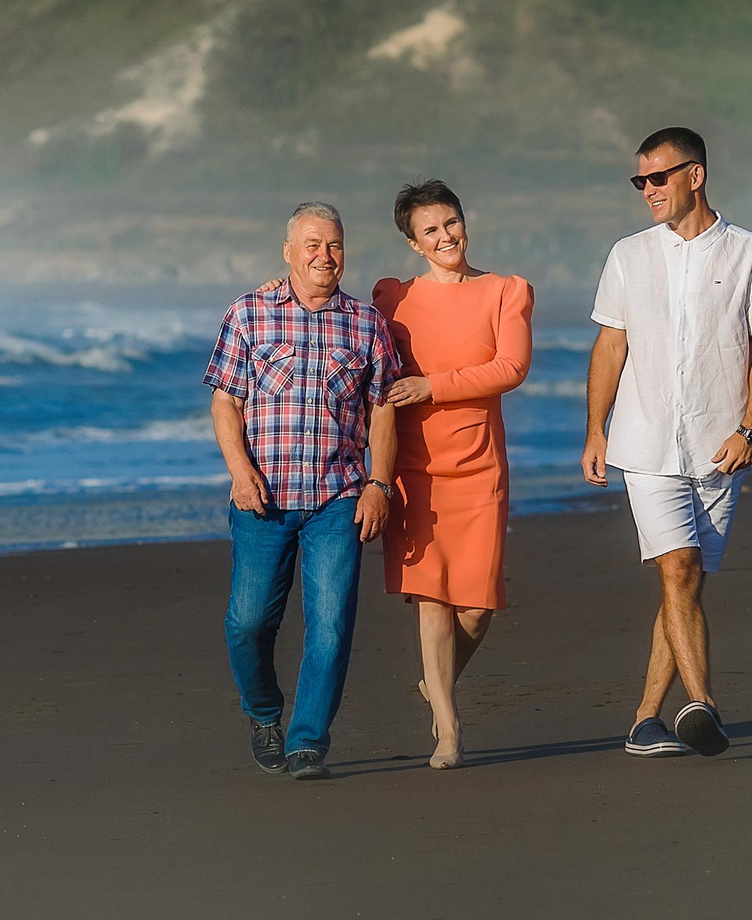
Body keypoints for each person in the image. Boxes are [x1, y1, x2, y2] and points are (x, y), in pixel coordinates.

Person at [581, 126, 752, 759]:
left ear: (693, 176)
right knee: (677, 567)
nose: (647, 190)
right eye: (639, 180)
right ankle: (702, 706)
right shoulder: (628, 255)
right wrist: (596, 429)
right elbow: (611, 343)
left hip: (718, 444)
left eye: (658, 178)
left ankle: (646, 718)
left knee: (686, 582)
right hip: (644, 442)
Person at [205, 201, 401, 780]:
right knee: (247, 623)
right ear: (288, 252)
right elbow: (225, 401)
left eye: (335, 245)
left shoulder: (366, 324)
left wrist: (379, 484)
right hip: (261, 500)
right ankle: (264, 712)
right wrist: (240, 473)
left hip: (337, 500)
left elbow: (384, 408)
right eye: (312, 245)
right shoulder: (247, 313)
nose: (325, 256)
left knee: (331, 626)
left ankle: (308, 741)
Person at [373, 179, 533, 770]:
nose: (446, 237)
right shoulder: (392, 296)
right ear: (414, 244)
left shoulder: (504, 291)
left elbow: (510, 366)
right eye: (430, 231)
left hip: (478, 464)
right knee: (431, 599)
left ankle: (435, 682)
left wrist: (431, 385)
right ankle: (448, 725)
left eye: (451, 223)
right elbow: (341, 322)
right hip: (415, 465)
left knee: (477, 603)